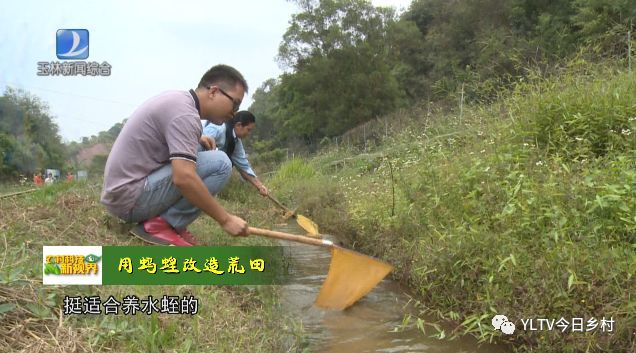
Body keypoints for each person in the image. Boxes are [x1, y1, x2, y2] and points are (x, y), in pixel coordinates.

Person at [101, 64, 249, 246]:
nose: (234, 113)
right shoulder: (186, 116)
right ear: (214, 92)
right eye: (235, 104)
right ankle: (162, 225)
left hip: (121, 194)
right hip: (129, 200)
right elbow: (184, 178)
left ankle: (169, 224)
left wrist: (197, 138)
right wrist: (225, 219)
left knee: (201, 148)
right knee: (221, 163)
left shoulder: (179, 101)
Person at [202, 111, 269, 197]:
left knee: (225, 164)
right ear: (239, 125)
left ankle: (206, 197)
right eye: (248, 130)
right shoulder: (218, 128)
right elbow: (198, 141)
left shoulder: (236, 142)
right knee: (224, 162)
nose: (249, 134)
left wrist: (260, 186)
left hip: (205, 168)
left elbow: (243, 166)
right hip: (192, 163)